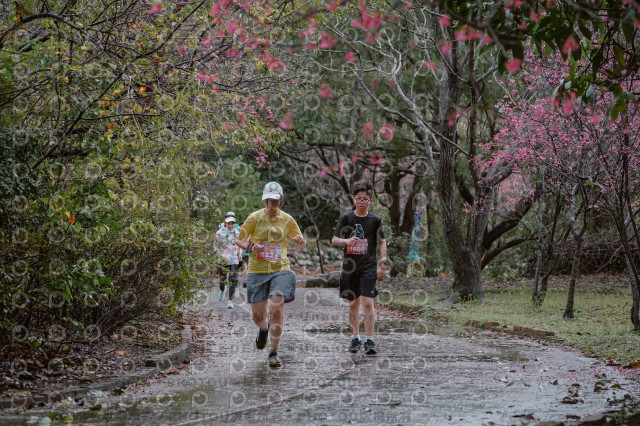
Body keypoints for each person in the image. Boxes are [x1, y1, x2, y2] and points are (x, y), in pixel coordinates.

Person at [236, 182, 306, 367]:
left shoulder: (287, 219)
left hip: (280, 269)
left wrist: (300, 241)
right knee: (258, 316)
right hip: (257, 270)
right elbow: (239, 240)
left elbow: (301, 242)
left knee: (276, 308)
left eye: (274, 200)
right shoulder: (254, 218)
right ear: (264, 200)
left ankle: (274, 352)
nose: (271, 203)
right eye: (268, 199)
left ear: (281, 200)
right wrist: (251, 247)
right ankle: (264, 328)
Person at [331, 180, 386, 355]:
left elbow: (382, 241)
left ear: (370, 201)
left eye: (365, 199)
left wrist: (383, 262)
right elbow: (334, 240)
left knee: (368, 303)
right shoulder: (347, 218)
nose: (362, 201)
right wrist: (347, 241)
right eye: (359, 198)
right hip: (350, 266)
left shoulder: (375, 220)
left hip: (368, 265)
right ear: (354, 199)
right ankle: (355, 338)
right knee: (353, 303)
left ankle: (369, 340)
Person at [215, 212, 242, 309]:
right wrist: (221, 255)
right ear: (225, 223)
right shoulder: (219, 233)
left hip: (233, 259)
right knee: (222, 279)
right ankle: (222, 289)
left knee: (232, 279)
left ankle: (230, 300)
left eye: (232, 223)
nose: (230, 225)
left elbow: (240, 245)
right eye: (228, 223)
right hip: (223, 259)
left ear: (234, 223)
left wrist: (240, 253)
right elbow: (216, 246)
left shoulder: (237, 233)